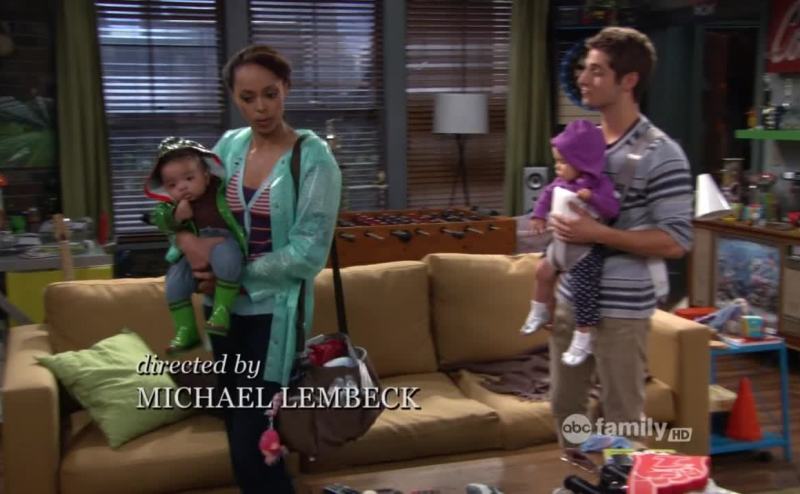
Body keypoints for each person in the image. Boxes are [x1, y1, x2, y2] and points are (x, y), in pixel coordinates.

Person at [172, 44, 341, 493]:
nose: (261, 108)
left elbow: (308, 252)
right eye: (248, 98)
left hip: (274, 317)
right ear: (234, 97)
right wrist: (192, 253)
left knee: (255, 436)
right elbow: (201, 211)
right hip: (223, 312)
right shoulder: (228, 146)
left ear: (286, 88)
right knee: (238, 430)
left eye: (270, 93)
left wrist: (235, 275)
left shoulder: (313, 158)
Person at [547, 27, 693, 448]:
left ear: (629, 81)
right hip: (572, 299)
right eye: (583, 69)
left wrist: (599, 233)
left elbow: (676, 241)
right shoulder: (583, 144)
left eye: (596, 71)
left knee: (622, 420)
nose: (582, 79)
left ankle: (621, 477)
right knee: (565, 408)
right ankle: (577, 474)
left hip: (624, 310)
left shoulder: (662, 154)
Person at [520, 119, 619, 368]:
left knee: (583, 294)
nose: (557, 167)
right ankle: (539, 308)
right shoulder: (560, 183)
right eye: (556, 161)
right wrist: (538, 215)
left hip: (584, 252)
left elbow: (612, 209)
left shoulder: (600, 185)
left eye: (563, 162)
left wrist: (593, 198)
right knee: (542, 270)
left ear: (583, 161)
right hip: (559, 244)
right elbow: (546, 196)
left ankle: (583, 336)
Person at [145, 137, 247, 354]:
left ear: (207, 176)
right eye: (172, 185)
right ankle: (186, 329)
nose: (182, 187)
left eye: (189, 178)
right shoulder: (171, 205)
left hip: (222, 240)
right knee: (174, 282)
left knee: (228, 259)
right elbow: (160, 218)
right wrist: (175, 215)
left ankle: (221, 311)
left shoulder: (220, 189)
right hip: (189, 252)